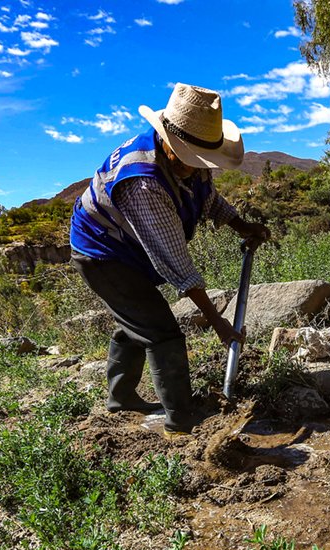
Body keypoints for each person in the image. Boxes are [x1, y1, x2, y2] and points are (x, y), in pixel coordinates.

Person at [69, 83, 270, 433]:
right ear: (167, 141)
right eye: (189, 161)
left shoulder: (190, 157)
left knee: (136, 322)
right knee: (162, 332)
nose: (195, 169)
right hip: (102, 253)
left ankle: (121, 399)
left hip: (128, 248)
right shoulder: (143, 182)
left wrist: (242, 225)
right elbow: (175, 263)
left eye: (200, 163)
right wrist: (217, 322)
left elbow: (206, 198)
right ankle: (181, 421)